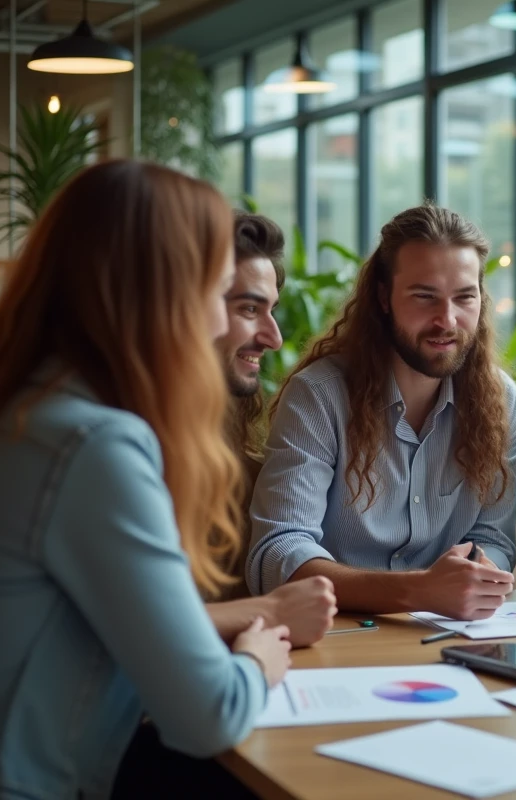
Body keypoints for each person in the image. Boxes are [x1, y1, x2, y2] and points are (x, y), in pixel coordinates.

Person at [0, 160, 290, 798]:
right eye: (219, 294)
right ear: (157, 296)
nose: (220, 325)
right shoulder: (95, 446)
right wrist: (258, 659)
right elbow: (209, 713)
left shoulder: (26, 410)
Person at [246, 204, 516, 620]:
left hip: (449, 632)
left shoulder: (501, 401)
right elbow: (277, 554)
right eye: (424, 297)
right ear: (383, 297)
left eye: (465, 297)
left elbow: (494, 538)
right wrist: (419, 590)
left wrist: (478, 573)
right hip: (334, 634)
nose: (447, 320)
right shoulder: (318, 396)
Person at [206, 212, 337, 647]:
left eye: (271, 310)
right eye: (249, 309)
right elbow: (132, 623)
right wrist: (272, 612)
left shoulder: (241, 452)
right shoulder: (112, 445)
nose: (274, 337)